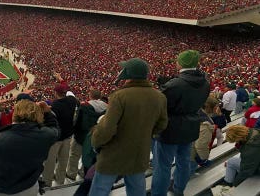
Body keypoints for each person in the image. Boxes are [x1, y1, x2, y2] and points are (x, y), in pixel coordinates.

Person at [89, 58, 168, 196]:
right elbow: (162, 124)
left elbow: (107, 128)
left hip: (114, 153)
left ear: (129, 74)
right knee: (137, 190)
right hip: (139, 152)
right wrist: (144, 134)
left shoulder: (120, 96)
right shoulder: (159, 97)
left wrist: (95, 142)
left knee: (100, 190)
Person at [152, 50, 210, 196]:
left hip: (170, 129)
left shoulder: (175, 84)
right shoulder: (205, 83)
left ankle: (158, 194)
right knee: (183, 162)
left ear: (181, 63)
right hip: (191, 127)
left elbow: (158, 105)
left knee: (163, 166)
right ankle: (179, 190)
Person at [0, 100, 59, 196]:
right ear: (38, 115)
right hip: (30, 187)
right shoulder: (46, 135)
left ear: (15, 113)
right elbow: (54, 128)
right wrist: (47, 112)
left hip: (2, 190)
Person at [42, 73, 79, 187]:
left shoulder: (55, 104)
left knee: (50, 162)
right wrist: (61, 80)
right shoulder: (72, 101)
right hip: (68, 136)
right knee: (63, 161)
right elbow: (69, 90)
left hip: (56, 138)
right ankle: (60, 180)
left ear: (55, 93)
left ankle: (47, 182)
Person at [67, 89, 107, 181]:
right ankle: (83, 172)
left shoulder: (84, 106)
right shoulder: (107, 107)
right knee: (89, 155)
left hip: (81, 135)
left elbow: (77, 121)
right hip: (96, 135)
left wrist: (75, 131)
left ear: (90, 95)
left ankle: (71, 173)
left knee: (74, 154)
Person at [191, 97, 220, 174]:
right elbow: (201, 145)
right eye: (215, 107)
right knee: (188, 170)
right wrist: (204, 159)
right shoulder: (205, 124)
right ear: (208, 107)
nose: (217, 109)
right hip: (193, 154)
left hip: (187, 148)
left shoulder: (196, 112)